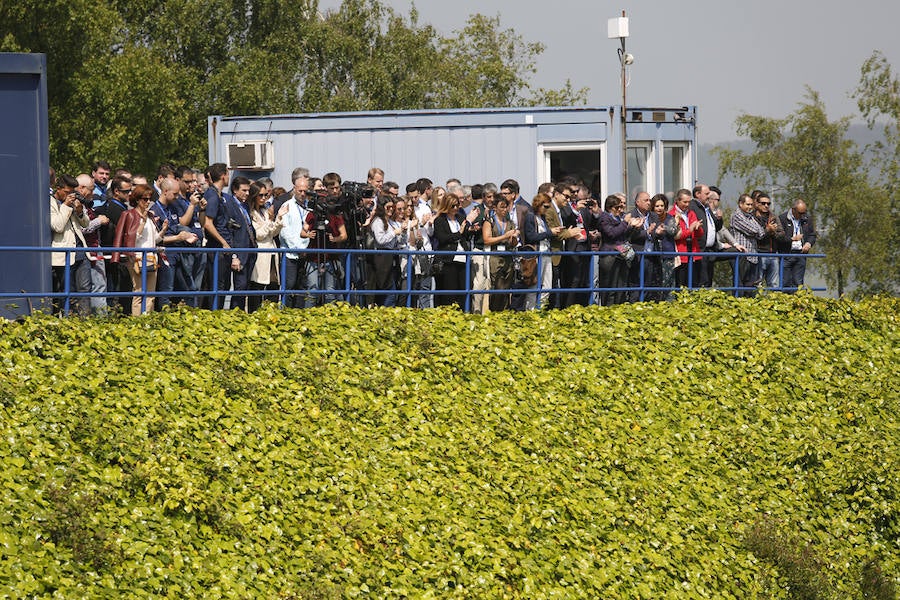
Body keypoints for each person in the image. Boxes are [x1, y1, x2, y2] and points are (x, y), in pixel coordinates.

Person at [111, 185, 165, 315]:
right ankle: (137, 321)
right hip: (137, 258)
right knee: (139, 291)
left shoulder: (151, 216)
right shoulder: (129, 214)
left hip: (152, 257)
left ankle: (148, 320)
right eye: (144, 199)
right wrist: (143, 221)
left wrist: (163, 230)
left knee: (151, 293)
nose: (147, 202)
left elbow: (153, 239)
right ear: (136, 199)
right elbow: (133, 238)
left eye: (149, 199)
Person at [50, 174, 91, 315]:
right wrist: (66, 206)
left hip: (81, 251)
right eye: (67, 193)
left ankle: (84, 320)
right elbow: (58, 226)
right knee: (68, 291)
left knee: (85, 290)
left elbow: (86, 224)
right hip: (64, 253)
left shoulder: (72, 202)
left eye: (72, 193)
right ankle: (68, 320)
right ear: (58, 189)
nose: (70, 196)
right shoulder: (51, 202)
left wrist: (79, 212)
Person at [95, 175, 134, 313]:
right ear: (116, 191)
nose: (129, 194)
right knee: (115, 292)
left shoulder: (119, 207)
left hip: (114, 256)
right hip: (115, 257)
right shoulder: (116, 209)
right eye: (126, 191)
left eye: (130, 191)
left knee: (117, 291)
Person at [433, 191, 478, 307]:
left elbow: (465, 236)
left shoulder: (460, 218)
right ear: (446, 205)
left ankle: (463, 313)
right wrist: (459, 233)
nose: (456, 208)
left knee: (463, 289)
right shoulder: (439, 220)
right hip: (448, 260)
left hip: (462, 258)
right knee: (449, 291)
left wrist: (470, 230)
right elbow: (442, 238)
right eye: (453, 206)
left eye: (457, 205)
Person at [597, 194, 641, 306]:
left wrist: (633, 227)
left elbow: (624, 235)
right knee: (610, 284)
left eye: (621, 207)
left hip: (621, 253)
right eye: (617, 208)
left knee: (621, 284)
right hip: (609, 255)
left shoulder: (619, 218)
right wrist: (625, 223)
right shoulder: (604, 217)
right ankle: (608, 308)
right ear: (609, 207)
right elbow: (611, 234)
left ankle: (619, 305)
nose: (620, 210)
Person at [248, 182, 283, 311]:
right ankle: (254, 313)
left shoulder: (265, 211)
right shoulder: (251, 213)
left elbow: (272, 233)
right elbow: (259, 234)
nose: (264, 198)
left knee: (273, 284)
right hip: (260, 253)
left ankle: (271, 313)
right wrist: (270, 221)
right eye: (260, 195)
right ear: (254, 196)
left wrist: (278, 219)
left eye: (266, 195)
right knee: (258, 284)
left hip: (272, 251)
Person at [522, 193, 559, 310]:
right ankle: (531, 311)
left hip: (546, 253)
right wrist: (550, 233)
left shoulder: (543, 218)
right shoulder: (530, 216)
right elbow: (530, 236)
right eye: (546, 207)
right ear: (539, 205)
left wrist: (553, 232)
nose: (547, 210)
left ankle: (541, 309)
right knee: (534, 285)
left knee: (547, 286)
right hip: (536, 255)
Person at [482, 195, 518, 311]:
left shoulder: (510, 223)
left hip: (508, 256)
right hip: (495, 256)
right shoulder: (490, 222)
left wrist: (513, 239)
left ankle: (505, 310)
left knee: (507, 287)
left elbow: (514, 243)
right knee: (497, 286)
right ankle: (494, 311)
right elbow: (487, 240)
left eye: (506, 207)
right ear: (495, 208)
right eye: (501, 207)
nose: (504, 210)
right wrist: (504, 236)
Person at [730, 193, 768, 296]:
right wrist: (758, 231)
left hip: (753, 255)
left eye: (751, 205)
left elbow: (761, 234)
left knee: (751, 286)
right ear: (740, 204)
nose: (750, 207)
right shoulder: (737, 216)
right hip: (742, 255)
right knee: (740, 284)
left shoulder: (751, 217)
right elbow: (752, 230)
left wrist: (759, 231)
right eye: (747, 204)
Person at [777, 199, 817, 291]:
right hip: (786, 254)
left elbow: (812, 235)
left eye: (804, 212)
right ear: (793, 210)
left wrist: (808, 243)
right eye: (800, 213)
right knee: (785, 282)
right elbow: (779, 237)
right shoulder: (782, 218)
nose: (802, 215)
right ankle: (786, 303)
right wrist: (791, 239)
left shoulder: (807, 219)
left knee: (798, 283)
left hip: (801, 254)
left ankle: (798, 303)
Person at [689, 183, 722, 287]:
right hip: (699, 249)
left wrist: (719, 219)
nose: (709, 196)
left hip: (710, 250)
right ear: (698, 194)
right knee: (701, 281)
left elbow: (716, 227)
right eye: (706, 193)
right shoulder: (692, 207)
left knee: (708, 280)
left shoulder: (706, 206)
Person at [370, 199, 403, 306]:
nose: (391, 209)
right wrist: (394, 233)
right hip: (382, 257)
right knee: (388, 290)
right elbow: (380, 240)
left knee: (391, 288)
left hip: (390, 257)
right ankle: (385, 312)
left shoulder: (388, 221)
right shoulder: (378, 221)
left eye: (392, 207)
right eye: (388, 207)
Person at [669, 188, 704, 289]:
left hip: (693, 251)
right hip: (681, 253)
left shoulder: (691, 213)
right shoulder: (672, 215)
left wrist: (697, 228)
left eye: (689, 202)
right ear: (677, 201)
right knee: (681, 283)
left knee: (694, 283)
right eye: (684, 202)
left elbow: (699, 234)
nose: (687, 204)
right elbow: (676, 235)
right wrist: (690, 229)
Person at [647, 194, 679, 300]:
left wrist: (664, 227)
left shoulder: (670, 218)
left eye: (662, 206)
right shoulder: (649, 218)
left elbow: (674, 230)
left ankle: (669, 303)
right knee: (654, 282)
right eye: (657, 206)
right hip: (653, 255)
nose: (660, 208)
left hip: (668, 254)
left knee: (668, 281)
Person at [626, 191, 652, 301]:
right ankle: (635, 305)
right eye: (646, 200)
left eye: (649, 200)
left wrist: (659, 232)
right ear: (637, 202)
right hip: (637, 254)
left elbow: (657, 232)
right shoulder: (631, 216)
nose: (649, 202)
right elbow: (630, 236)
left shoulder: (653, 216)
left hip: (651, 255)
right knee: (635, 284)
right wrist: (646, 232)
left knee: (648, 284)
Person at [754, 192, 782, 289]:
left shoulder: (774, 217)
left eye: (768, 204)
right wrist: (767, 230)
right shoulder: (753, 218)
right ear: (757, 204)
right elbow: (756, 235)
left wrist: (773, 232)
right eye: (763, 203)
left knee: (773, 284)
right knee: (758, 283)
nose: (766, 206)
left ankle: (773, 303)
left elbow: (782, 234)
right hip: (759, 254)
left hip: (773, 254)